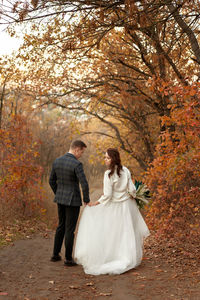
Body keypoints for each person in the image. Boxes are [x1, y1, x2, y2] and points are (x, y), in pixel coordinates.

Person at [74, 148, 150, 275]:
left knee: (114, 231)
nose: (105, 160)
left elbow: (108, 195)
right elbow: (132, 189)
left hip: (115, 207)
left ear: (113, 159)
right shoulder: (125, 170)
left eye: (107, 157)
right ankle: (128, 257)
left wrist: (96, 203)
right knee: (127, 231)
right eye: (105, 157)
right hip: (127, 205)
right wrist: (132, 195)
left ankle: (116, 256)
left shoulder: (108, 174)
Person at [49, 140, 90, 266]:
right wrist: (86, 199)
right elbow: (84, 183)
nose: (81, 155)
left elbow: (51, 181)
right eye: (81, 152)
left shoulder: (57, 161)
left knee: (61, 225)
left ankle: (55, 255)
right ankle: (68, 259)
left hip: (60, 199)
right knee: (70, 229)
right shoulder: (77, 164)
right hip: (73, 200)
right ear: (77, 149)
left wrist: (58, 193)